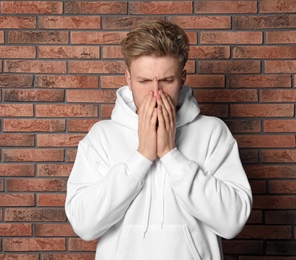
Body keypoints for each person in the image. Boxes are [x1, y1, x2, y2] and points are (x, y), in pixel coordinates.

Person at [65, 20, 252, 260]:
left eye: (167, 80)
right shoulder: (101, 137)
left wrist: (171, 155)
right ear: (128, 78)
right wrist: (141, 157)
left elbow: (232, 222)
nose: (156, 92)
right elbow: (84, 225)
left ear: (182, 79)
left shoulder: (212, 133)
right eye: (143, 81)